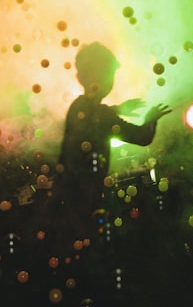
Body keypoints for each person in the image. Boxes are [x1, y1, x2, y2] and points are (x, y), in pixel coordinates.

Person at [54, 42, 171, 240]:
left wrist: (117, 109)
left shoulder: (77, 106)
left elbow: (94, 116)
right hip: (86, 200)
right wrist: (151, 118)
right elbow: (142, 137)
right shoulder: (102, 115)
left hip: (65, 195)